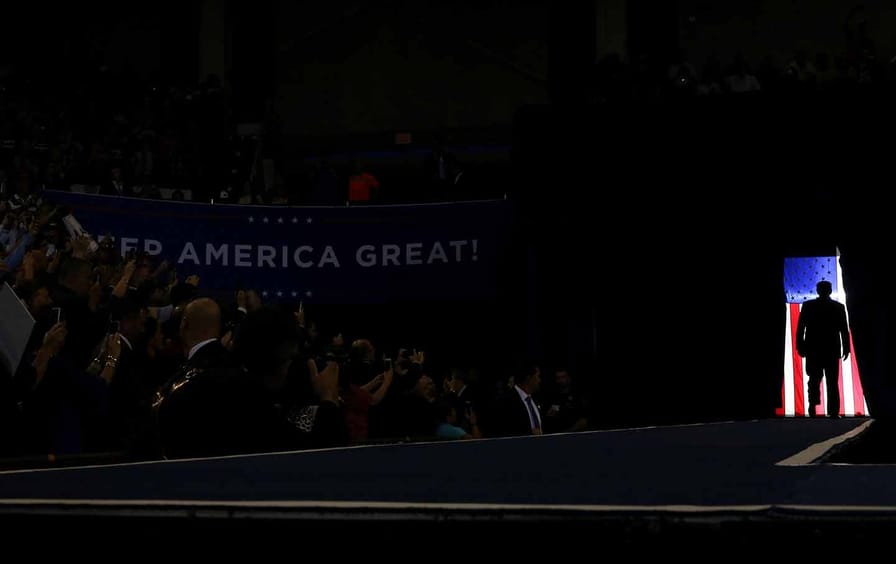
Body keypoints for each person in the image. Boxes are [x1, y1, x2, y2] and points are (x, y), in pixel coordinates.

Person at [796, 280, 850, 418]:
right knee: (828, 381)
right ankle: (832, 411)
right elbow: (844, 330)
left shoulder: (809, 306)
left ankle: (814, 407)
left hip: (815, 349)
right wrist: (846, 347)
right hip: (828, 349)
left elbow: (801, 328)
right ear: (830, 291)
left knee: (816, 380)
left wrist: (800, 346)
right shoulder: (838, 307)